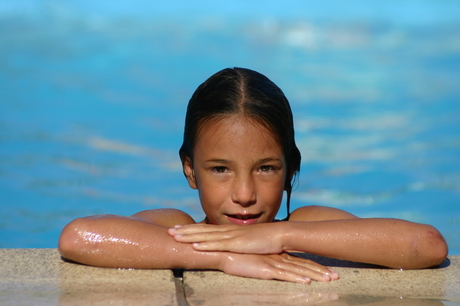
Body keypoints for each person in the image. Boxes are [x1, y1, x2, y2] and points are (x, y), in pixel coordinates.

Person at [59, 67, 448, 284]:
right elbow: (79, 237)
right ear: (190, 170)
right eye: (220, 169)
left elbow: (426, 245)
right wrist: (223, 258)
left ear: (290, 169)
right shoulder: (179, 229)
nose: (244, 194)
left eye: (265, 168)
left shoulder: (306, 225)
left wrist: (279, 234)